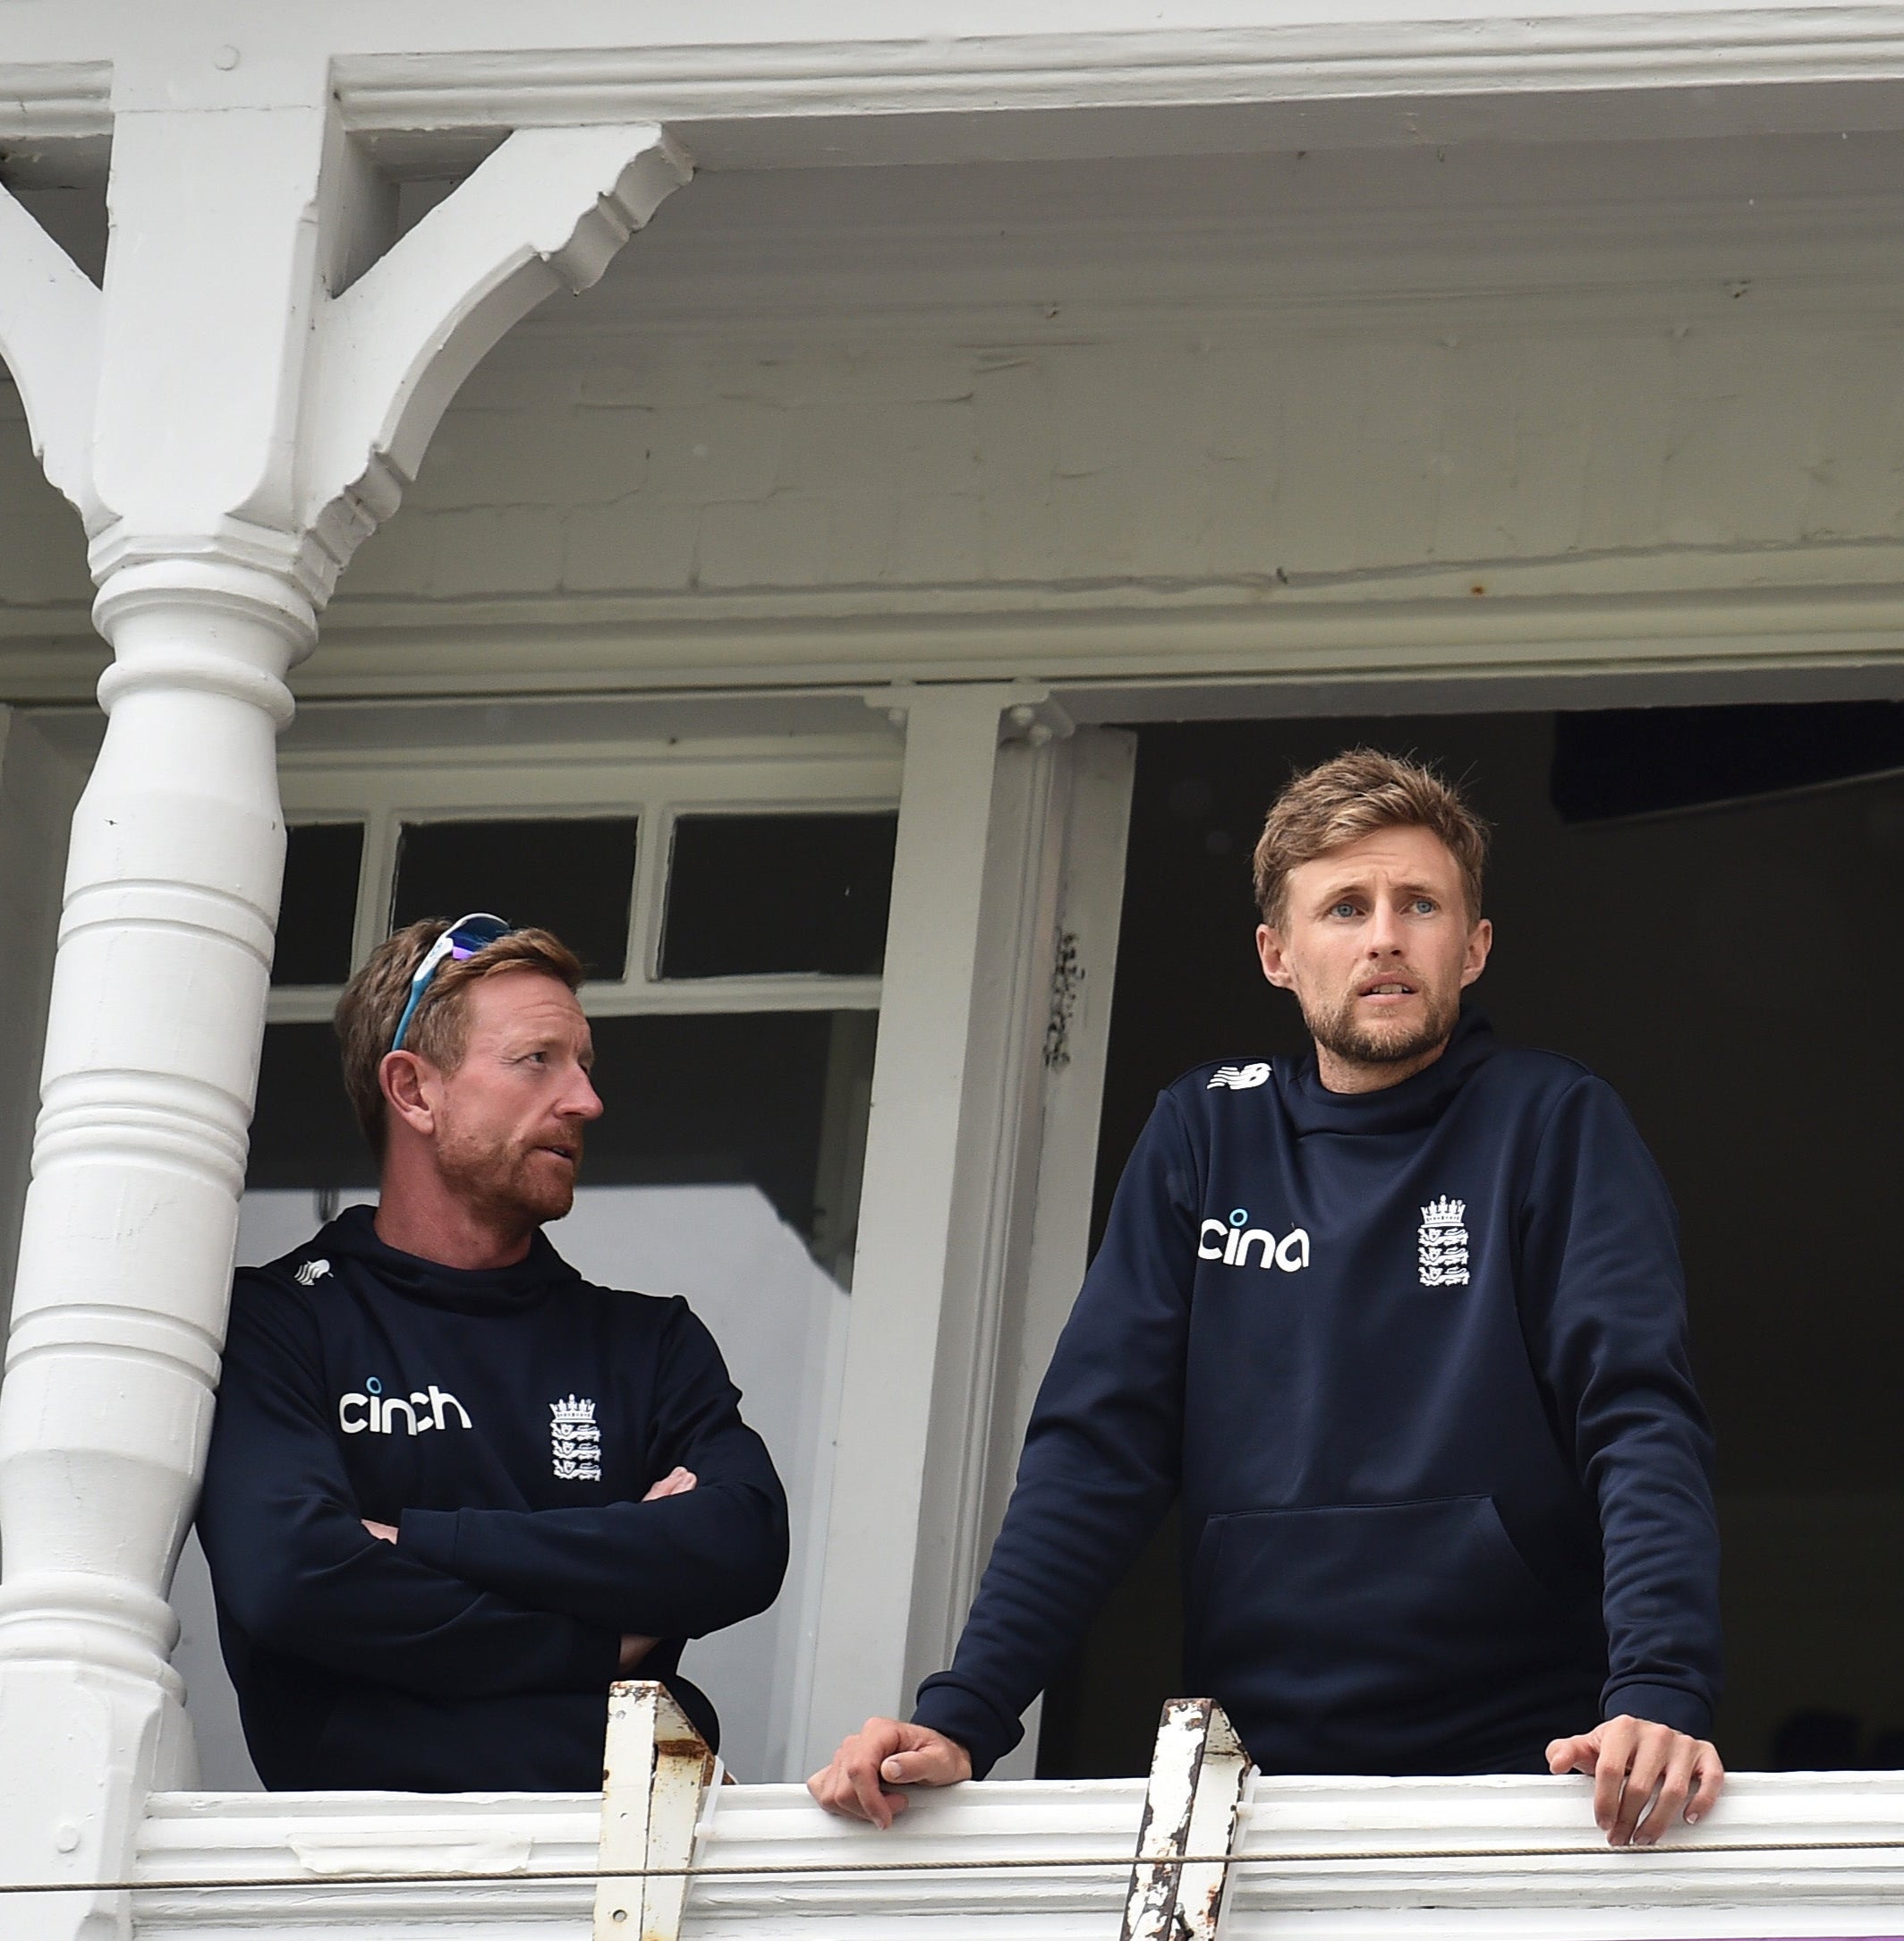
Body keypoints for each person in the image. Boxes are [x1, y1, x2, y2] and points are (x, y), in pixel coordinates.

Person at [812, 751, 1724, 1844]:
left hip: (1531, 1768)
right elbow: (1098, 1452)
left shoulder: (1555, 1121)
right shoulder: (1206, 1132)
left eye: (1419, 904)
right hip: (1249, 1784)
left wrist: (1658, 1691)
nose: (1384, 934)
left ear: (1472, 947)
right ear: (1278, 955)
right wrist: (967, 1713)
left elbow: (1636, 1416)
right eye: (1345, 907)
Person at [196, 914, 790, 1790]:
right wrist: (606, 1638)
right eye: (538, 1060)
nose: (585, 1099)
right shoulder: (276, 1323)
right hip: (358, 1891)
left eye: (584, 1065)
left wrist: (422, 1540)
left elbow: (740, 1541)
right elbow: (292, 1579)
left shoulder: (645, 1343)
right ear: (415, 1091)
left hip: (619, 1888)